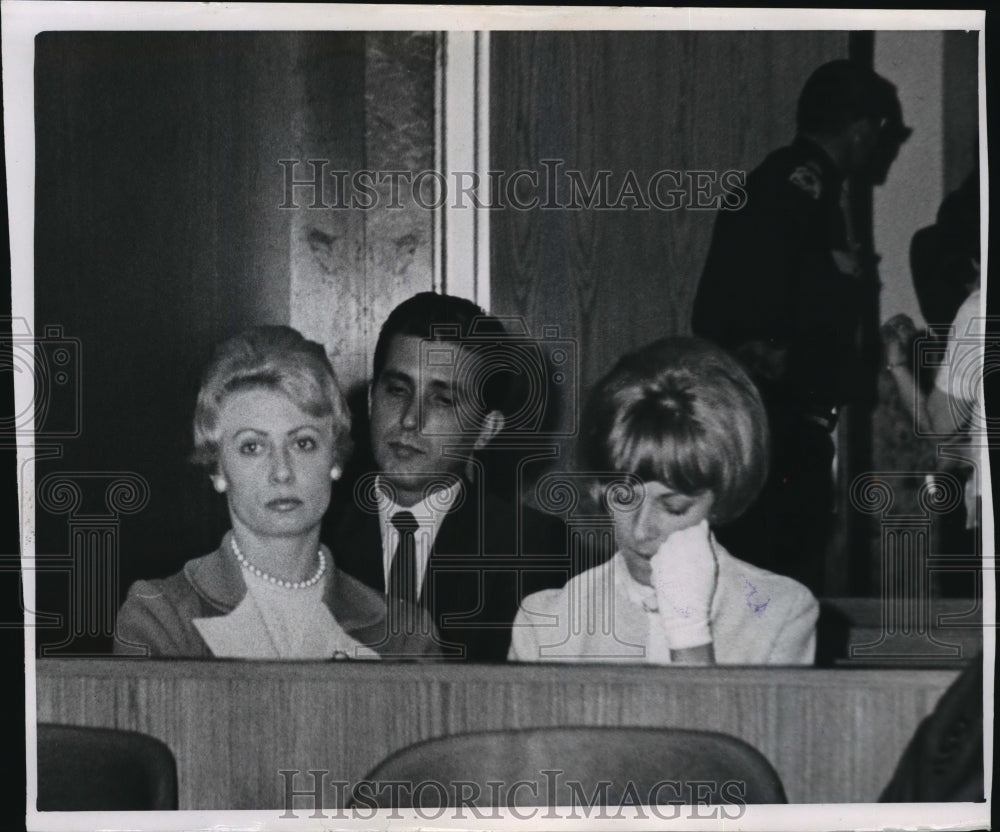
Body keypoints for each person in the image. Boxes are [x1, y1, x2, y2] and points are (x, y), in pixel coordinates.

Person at [691, 59, 910, 593]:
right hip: (774, 428)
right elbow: (745, 317)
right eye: (885, 133)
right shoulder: (797, 188)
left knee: (784, 581)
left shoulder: (814, 190)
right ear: (863, 128)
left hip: (788, 425)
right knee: (774, 583)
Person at [115, 325, 438, 659]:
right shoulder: (161, 616)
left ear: (335, 458)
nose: (282, 471)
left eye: (303, 443)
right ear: (217, 468)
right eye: (252, 446)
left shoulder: (405, 635)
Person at [509, 337, 818, 665]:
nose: (641, 533)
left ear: (720, 499)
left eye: (673, 507)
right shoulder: (545, 620)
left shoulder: (779, 612)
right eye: (622, 496)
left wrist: (689, 633)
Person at [329, 292, 571, 661]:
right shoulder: (318, 529)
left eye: (442, 400)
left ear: (486, 430)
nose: (410, 419)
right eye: (397, 390)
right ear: (370, 400)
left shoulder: (533, 547)